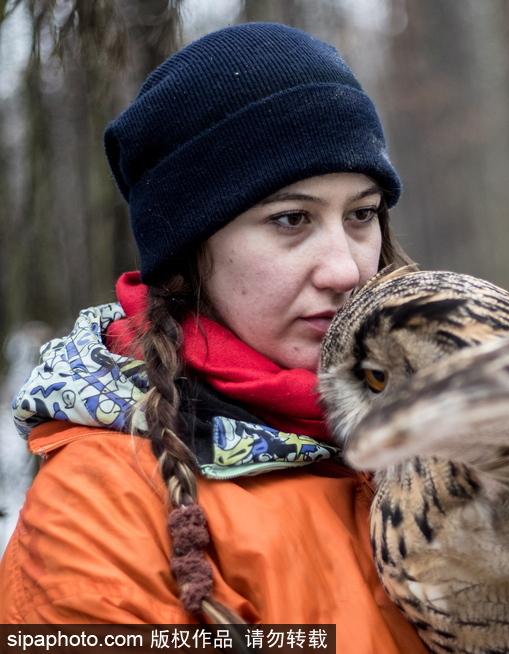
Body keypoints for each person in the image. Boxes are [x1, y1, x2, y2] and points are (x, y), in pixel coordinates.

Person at [0, 22, 426, 652]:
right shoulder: (98, 512)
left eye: (361, 214)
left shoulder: (460, 430)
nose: (346, 269)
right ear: (190, 251)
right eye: (290, 219)